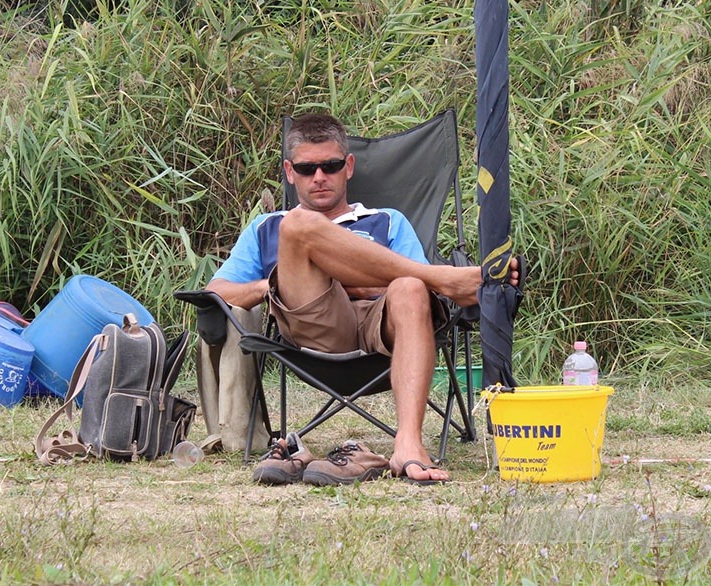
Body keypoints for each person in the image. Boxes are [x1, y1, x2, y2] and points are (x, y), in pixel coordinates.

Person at [206, 112, 518, 485]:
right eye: (307, 169)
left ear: (348, 166)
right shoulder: (270, 227)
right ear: (290, 173)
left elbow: (413, 295)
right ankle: (445, 277)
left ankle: (408, 444)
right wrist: (276, 285)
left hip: (381, 329)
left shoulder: (388, 221)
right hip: (314, 325)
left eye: (331, 165)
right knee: (301, 225)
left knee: (410, 287)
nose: (319, 176)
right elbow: (217, 292)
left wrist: (353, 279)